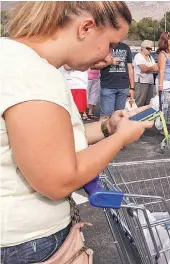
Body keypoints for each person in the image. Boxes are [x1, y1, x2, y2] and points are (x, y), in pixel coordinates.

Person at [0, 2, 153, 263]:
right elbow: (58, 180)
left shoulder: (14, 58)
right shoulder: (33, 75)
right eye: (110, 44)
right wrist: (120, 138)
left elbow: (46, 141)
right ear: (85, 28)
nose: (108, 58)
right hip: (28, 243)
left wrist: (107, 126)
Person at [98, 40, 135, 120]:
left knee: (119, 116)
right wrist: (111, 62)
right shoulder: (104, 46)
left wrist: (132, 88)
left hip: (123, 87)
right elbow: (95, 66)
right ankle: (102, 132)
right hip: (108, 86)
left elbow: (130, 68)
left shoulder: (126, 47)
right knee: (105, 117)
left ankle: (117, 132)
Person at [133, 40, 158, 107]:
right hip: (141, 82)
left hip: (150, 82)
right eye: (148, 48)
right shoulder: (138, 56)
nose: (149, 50)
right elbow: (144, 69)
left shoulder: (150, 57)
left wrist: (149, 68)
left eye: (151, 49)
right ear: (142, 48)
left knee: (148, 102)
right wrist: (152, 68)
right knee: (139, 102)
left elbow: (156, 69)